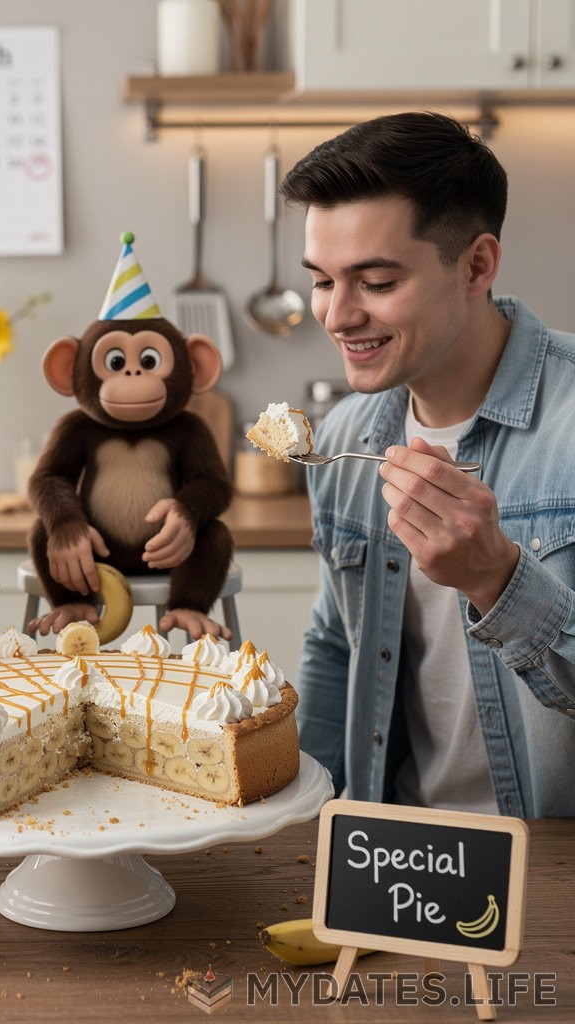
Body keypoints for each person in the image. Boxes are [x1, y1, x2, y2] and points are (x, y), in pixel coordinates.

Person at [280, 111, 575, 818]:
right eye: (322, 280)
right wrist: (305, 821)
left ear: (476, 265)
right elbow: (336, 645)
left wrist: (498, 581)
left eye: (375, 282)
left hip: (552, 871)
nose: (337, 315)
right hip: (396, 855)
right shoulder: (347, 436)